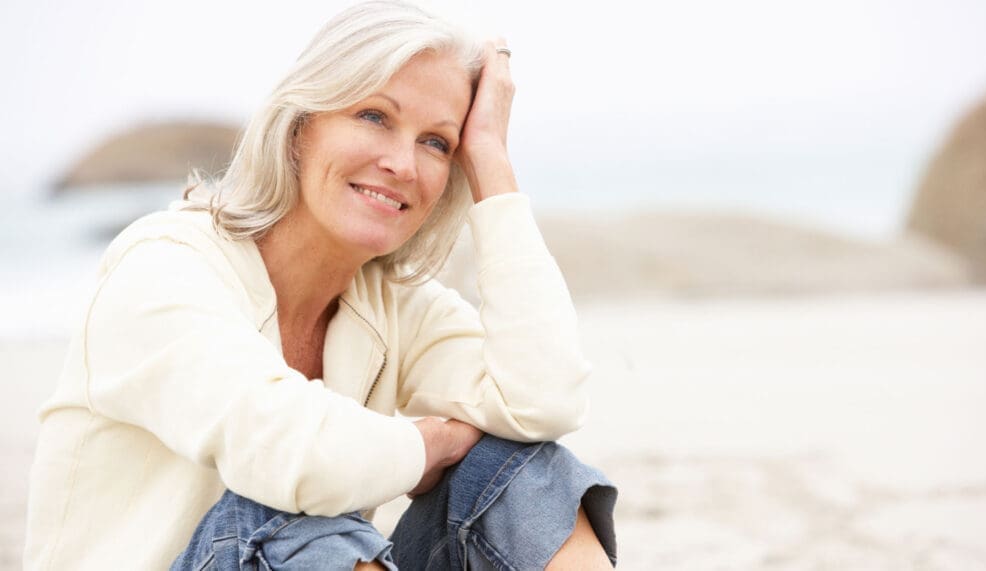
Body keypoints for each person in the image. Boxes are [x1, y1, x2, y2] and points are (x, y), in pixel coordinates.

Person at [24, 1, 616, 569]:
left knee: (518, 466)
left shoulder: (390, 302)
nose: (403, 164)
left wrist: (490, 157)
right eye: (374, 117)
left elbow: (544, 400)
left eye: (436, 142)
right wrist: (431, 443)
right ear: (300, 126)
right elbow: (294, 456)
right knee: (290, 517)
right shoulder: (163, 267)